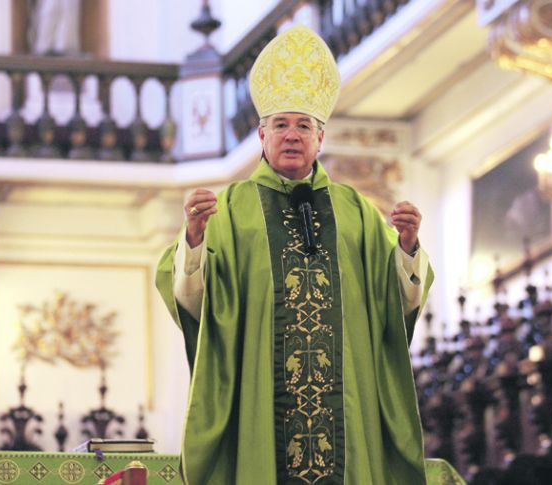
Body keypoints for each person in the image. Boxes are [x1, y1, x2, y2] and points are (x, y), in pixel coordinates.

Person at [156, 25, 465, 485]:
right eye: (281, 124)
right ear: (262, 135)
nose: (292, 135)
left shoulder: (356, 211)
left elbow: (393, 305)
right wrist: (196, 240)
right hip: (262, 409)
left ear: (320, 139)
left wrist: (406, 250)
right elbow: (195, 302)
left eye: (304, 125)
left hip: (347, 414)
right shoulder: (231, 209)